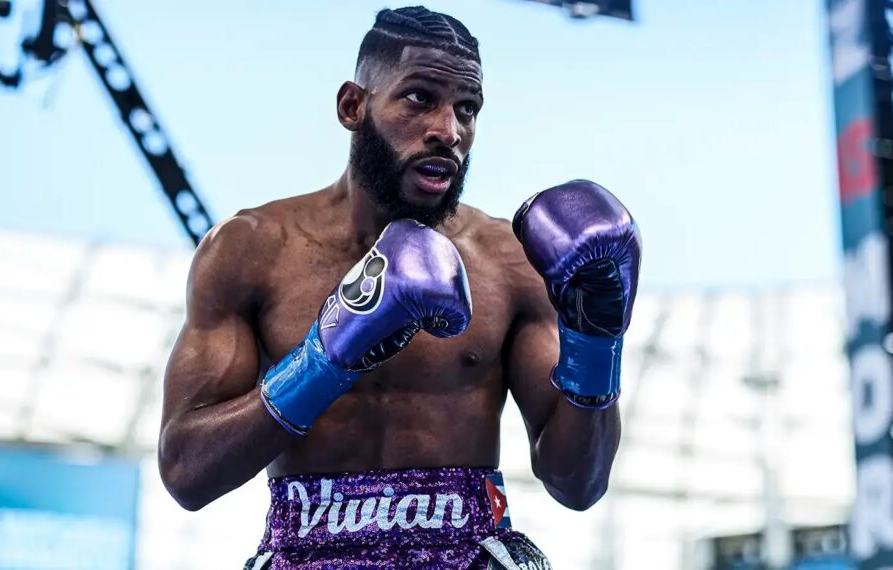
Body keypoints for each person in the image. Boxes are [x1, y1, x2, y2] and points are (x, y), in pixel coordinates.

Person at [157, 6, 641, 569]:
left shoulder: (511, 261)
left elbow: (577, 485)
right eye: (419, 98)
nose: (448, 130)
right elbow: (186, 474)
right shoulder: (252, 250)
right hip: (304, 550)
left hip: (468, 553)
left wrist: (597, 339)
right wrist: (323, 360)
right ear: (352, 106)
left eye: (468, 108)